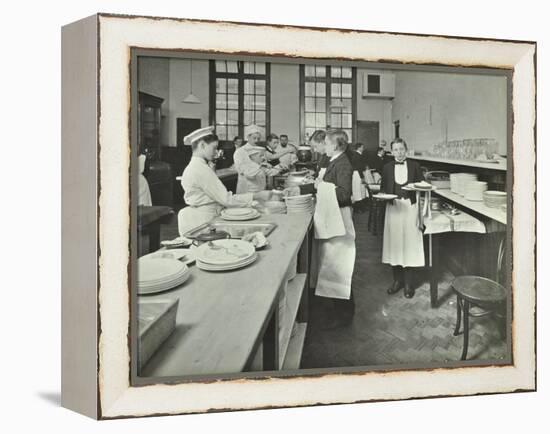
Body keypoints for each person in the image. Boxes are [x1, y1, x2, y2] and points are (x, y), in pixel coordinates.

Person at [177, 126, 271, 236]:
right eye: (214, 148)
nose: (216, 152)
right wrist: (256, 196)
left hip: (204, 216)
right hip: (205, 219)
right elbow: (226, 199)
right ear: (202, 145)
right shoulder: (200, 169)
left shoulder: (196, 166)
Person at [305, 129, 356, 326]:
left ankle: (344, 316)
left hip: (340, 220)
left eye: (326, 143)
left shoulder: (343, 163)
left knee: (339, 266)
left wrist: (321, 187)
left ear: (335, 145)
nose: (324, 146)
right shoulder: (334, 161)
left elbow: (344, 194)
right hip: (333, 218)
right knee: (332, 265)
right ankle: (337, 309)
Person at [380, 138, 425, 298]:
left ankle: (408, 284)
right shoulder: (386, 167)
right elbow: (383, 188)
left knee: (410, 245)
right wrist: (384, 196)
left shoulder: (415, 166)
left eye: (401, 149)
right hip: (393, 208)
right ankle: (397, 281)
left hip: (410, 208)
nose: (399, 153)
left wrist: (417, 188)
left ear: (406, 150)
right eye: (396, 150)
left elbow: (423, 185)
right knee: (395, 244)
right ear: (391, 152)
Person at [233, 124, 267, 193]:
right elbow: (244, 171)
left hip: (260, 187)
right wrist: (260, 167)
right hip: (247, 188)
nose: (256, 140)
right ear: (248, 137)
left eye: (258, 138)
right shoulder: (240, 152)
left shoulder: (260, 150)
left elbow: (265, 168)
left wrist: (277, 168)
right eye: (254, 138)